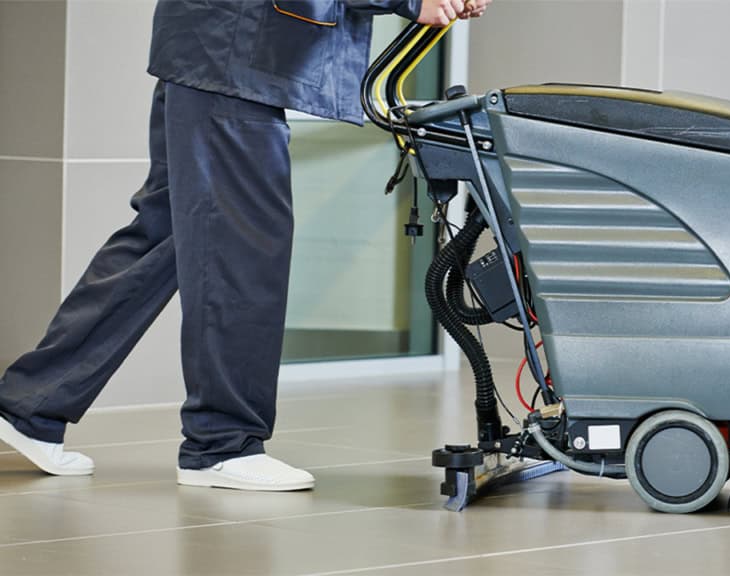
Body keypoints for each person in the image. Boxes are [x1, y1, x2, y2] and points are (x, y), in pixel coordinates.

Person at [0, 0, 490, 492]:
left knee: (163, 241)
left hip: (214, 53)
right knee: (244, 249)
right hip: (230, 59)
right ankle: (221, 443)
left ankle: (30, 405)